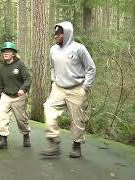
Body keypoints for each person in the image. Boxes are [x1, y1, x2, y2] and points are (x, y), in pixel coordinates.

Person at [40, 21, 96, 158]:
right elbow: (52, 67)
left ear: (67, 34)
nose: (55, 36)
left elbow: (91, 68)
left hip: (77, 88)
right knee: (48, 108)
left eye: (58, 33)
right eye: (55, 33)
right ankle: (54, 142)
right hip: (58, 87)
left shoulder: (79, 49)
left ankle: (76, 145)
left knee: (77, 119)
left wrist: (85, 87)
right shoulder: (53, 49)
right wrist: (54, 80)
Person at [0, 42, 31, 149]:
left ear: (13, 53)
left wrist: (23, 89)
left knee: (21, 119)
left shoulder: (20, 65)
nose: (5, 53)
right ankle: (2, 140)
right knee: (1, 116)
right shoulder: (1, 68)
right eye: (4, 51)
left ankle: (26, 135)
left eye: (8, 51)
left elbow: (27, 78)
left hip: (19, 96)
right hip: (6, 96)